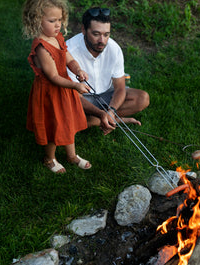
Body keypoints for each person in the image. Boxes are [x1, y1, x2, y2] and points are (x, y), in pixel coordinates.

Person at [22, 0, 92, 173]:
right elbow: (53, 76)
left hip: (63, 89)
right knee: (53, 124)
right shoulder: (41, 47)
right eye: (52, 21)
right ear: (37, 20)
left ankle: (71, 155)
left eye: (59, 20)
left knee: (68, 121)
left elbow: (67, 58)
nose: (58, 24)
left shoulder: (57, 37)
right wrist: (75, 85)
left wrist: (78, 70)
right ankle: (49, 158)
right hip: (49, 92)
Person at [66, 7, 150, 135]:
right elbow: (75, 96)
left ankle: (99, 120)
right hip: (79, 100)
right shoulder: (70, 50)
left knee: (142, 98)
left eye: (106, 34)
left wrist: (111, 111)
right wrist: (101, 113)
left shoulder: (114, 48)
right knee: (65, 109)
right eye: (96, 34)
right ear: (83, 30)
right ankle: (102, 119)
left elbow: (120, 88)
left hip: (106, 95)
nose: (102, 41)